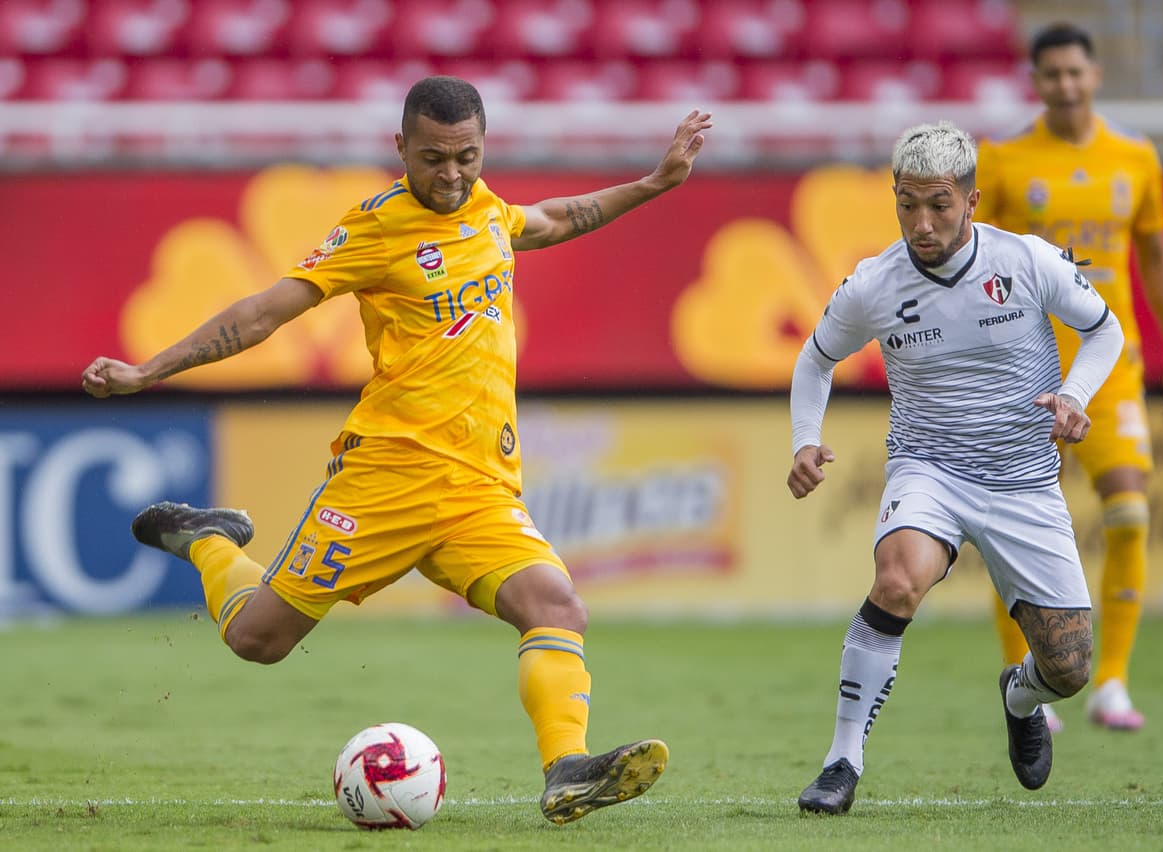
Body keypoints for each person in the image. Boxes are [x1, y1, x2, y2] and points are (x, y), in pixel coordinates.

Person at [80, 76, 711, 826]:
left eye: (467, 157)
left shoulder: (486, 211)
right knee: (258, 641)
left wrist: (654, 182)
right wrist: (149, 370)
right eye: (434, 158)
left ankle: (566, 767)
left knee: (555, 604)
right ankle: (211, 540)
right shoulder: (374, 230)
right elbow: (263, 313)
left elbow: (549, 220)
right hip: (385, 478)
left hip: (478, 485)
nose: (451, 176)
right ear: (401, 148)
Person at [786, 121, 1124, 814]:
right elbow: (816, 357)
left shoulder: (1026, 261)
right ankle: (841, 760)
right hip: (929, 469)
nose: (922, 221)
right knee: (897, 579)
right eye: (907, 203)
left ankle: (1018, 696)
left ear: (972, 201)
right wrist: (803, 439)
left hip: (1024, 477)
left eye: (939, 204)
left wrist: (1075, 396)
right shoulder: (874, 283)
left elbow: (1104, 328)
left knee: (1069, 669)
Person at [977, 22, 1163, 732]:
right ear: (1034, 82)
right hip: (1024, 371)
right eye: (1052, 75)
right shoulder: (1003, 160)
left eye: (1076, 72)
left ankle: (1111, 684)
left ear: (1095, 74)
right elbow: (977, 265)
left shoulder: (1135, 157)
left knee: (1130, 513)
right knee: (1013, 529)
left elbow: (1155, 257)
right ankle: (1027, 677)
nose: (1065, 85)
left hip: (1112, 370)